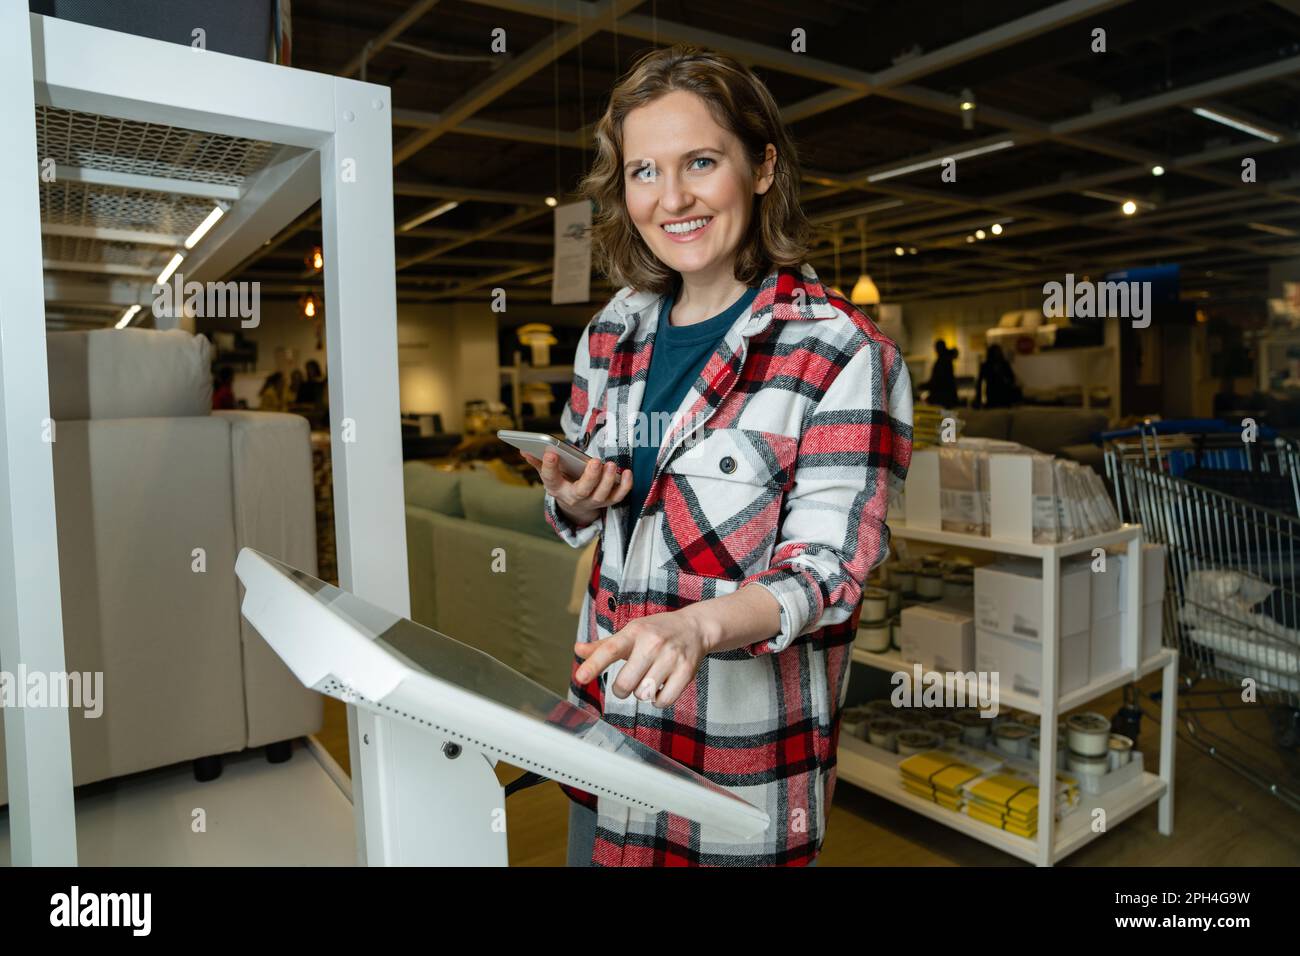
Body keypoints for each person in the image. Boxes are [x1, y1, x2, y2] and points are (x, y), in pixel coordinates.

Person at [517, 44, 913, 867]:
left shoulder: (839, 352)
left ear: (763, 166)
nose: (673, 199)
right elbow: (587, 515)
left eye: (701, 161)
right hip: (603, 737)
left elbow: (829, 574)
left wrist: (697, 627)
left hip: (736, 768)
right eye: (644, 172)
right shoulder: (611, 332)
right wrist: (578, 500)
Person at [974, 344, 1022, 409]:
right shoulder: (986, 365)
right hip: (993, 394)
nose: (997, 354)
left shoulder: (1003, 364)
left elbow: (1012, 378)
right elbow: (980, 382)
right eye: (995, 352)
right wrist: (978, 398)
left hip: (1003, 394)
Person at [921, 339, 959, 407]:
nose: (935, 350)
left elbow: (938, 380)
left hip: (944, 397)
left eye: (936, 348)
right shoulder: (946, 359)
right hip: (948, 395)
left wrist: (924, 386)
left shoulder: (942, 361)